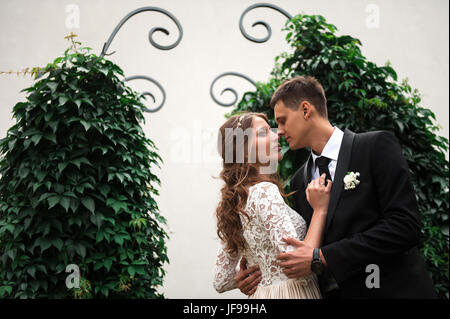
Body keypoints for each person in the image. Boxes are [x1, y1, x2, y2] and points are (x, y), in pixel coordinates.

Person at [234, 76, 437, 299]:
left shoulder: (375, 146)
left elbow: (405, 226)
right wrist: (256, 275)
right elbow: (300, 250)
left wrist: (324, 257)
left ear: (305, 110)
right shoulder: (298, 182)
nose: (279, 131)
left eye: (282, 121)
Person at [213, 112, 332, 298]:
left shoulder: (236, 202)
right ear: (245, 150)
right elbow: (301, 268)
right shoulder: (265, 191)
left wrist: (246, 278)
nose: (277, 135)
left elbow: (220, 281)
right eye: (263, 133)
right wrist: (320, 210)